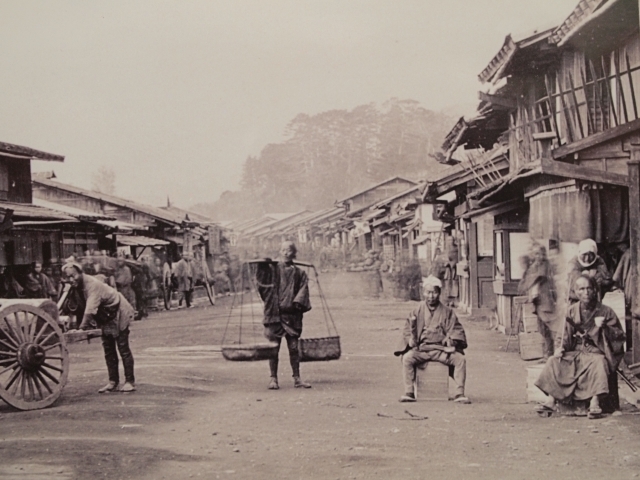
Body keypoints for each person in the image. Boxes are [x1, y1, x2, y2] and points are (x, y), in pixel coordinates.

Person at [535, 275, 625, 418]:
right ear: (576, 292)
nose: (586, 292)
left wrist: (605, 328)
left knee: (599, 363)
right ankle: (551, 400)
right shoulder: (571, 311)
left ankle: (595, 402)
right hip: (575, 351)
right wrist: (561, 348)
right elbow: (563, 336)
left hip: (596, 352)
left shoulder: (606, 311)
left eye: (589, 288)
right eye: (581, 289)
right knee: (554, 361)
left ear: (595, 290)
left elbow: (619, 336)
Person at [394, 275, 470, 403]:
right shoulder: (416, 311)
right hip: (421, 349)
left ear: (439, 293)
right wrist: (410, 340)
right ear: (423, 292)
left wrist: (451, 339)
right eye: (428, 292)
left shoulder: (447, 312)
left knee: (460, 359)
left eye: (434, 292)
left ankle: (459, 393)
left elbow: (456, 330)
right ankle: (409, 392)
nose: (431, 296)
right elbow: (407, 330)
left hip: (441, 350)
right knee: (407, 358)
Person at [62, 262, 136, 393]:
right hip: (105, 316)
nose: (71, 280)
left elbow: (90, 307)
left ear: (80, 273)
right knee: (108, 349)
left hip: (118, 311)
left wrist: (82, 328)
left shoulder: (92, 285)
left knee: (123, 348)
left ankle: (129, 381)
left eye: (73, 276)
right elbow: (72, 306)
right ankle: (113, 381)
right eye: (68, 277)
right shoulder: (76, 286)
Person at [256, 241, 312, 390]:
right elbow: (262, 285)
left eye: (288, 250)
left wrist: (297, 302)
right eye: (283, 250)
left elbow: (304, 290)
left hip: (292, 315)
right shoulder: (273, 270)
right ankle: (273, 379)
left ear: (293, 253)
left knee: (293, 348)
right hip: (274, 315)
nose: (286, 253)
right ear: (280, 252)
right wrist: (262, 266)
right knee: (273, 348)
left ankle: (297, 378)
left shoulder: (300, 273)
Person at [518, 244, 556, 359]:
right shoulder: (534, 266)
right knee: (542, 329)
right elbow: (523, 284)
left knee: (550, 327)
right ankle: (547, 354)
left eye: (541, 254)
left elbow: (534, 278)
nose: (539, 256)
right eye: (536, 254)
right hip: (538, 302)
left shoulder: (544, 265)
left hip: (546, 300)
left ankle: (550, 354)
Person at [567, 239, 613, 304]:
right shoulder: (573, 263)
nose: (587, 258)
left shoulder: (599, 261)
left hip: (595, 297)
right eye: (584, 255)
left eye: (590, 255)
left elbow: (607, 280)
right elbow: (573, 283)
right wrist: (589, 276)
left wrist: (598, 278)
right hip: (576, 298)